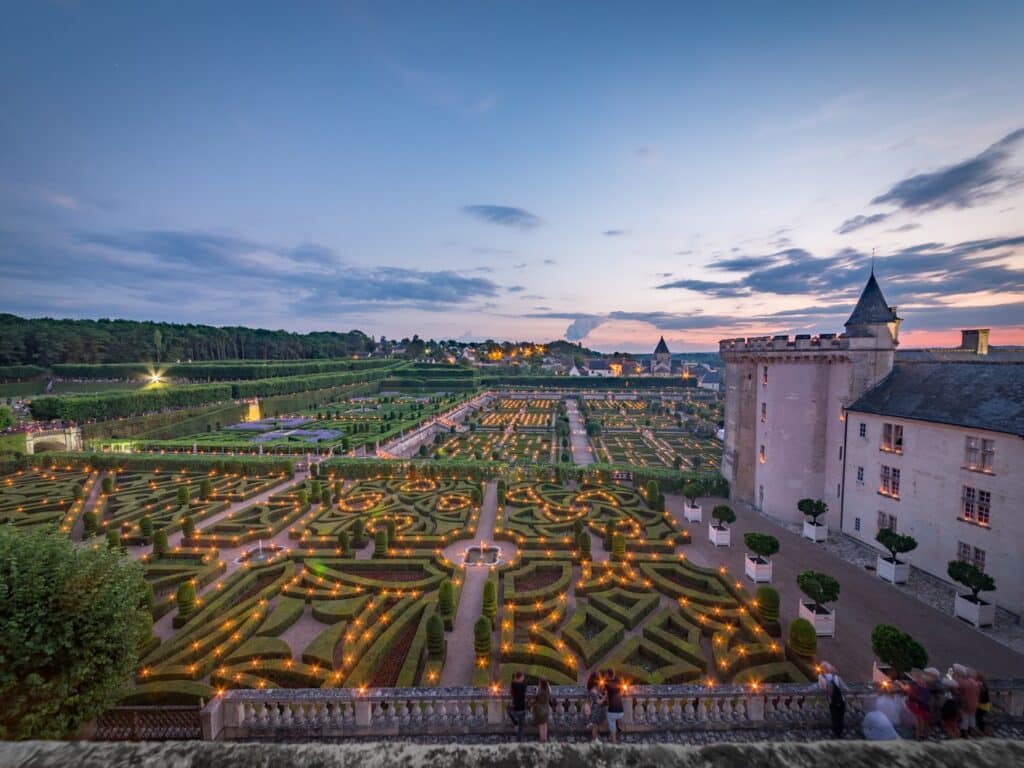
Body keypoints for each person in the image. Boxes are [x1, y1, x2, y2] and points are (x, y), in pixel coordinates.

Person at [818, 661, 846, 739]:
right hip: (841, 701)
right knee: (840, 718)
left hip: (832, 701)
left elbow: (822, 688)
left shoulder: (821, 677)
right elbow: (844, 688)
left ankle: (835, 735)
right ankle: (840, 734)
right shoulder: (836, 677)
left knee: (834, 718)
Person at [903, 669, 932, 740]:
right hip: (920, 706)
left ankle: (920, 736)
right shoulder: (919, 687)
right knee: (920, 721)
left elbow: (919, 697)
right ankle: (920, 736)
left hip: (921, 706)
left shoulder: (922, 688)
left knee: (920, 721)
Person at [954, 665, 980, 737]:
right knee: (972, 718)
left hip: (966, 703)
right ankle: (972, 732)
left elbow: (958, 691)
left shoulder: (963, 682)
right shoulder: (975, 683)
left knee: (965, 718)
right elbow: (978, 693)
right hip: (974, 703)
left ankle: (964, 733)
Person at [604, 669, 625, 744]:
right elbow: (622, 690)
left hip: (612, 711)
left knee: (612, 729)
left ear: (608, 675)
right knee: (616, 723)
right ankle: (616, 733)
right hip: (621, 710)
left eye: (605, 674)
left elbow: (605, 696)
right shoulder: (618, 680)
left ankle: (614, 744)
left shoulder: (606, 683)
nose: (604, 676)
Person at [586, 671, 607, 741]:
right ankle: (594, 740)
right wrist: (605, 696)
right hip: (595, 711)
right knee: (595, 726)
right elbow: (599, 702)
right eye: (599, 678)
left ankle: (595, 738)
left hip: (597, 710)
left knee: (596, 726)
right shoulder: (593, 691)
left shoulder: (595, 688)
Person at [531, 677, 553, 743]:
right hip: (546, 708)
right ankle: (545, 738)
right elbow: (550, 693)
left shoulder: (539, 689)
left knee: (540, 724)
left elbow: (536, 696)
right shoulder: (548, 689)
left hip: (539, 708)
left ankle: (541, 738)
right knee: (545, 724)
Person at [508, 671, 528, 741]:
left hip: (515, 706)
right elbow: (525, 693)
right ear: (520, 677)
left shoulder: (513, 684)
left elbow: (510, 692)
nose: (524, 678)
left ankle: (515, 721)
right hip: (522, 706)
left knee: (509, 711)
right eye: (523, 677)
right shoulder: (524, 684)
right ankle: (519, 738)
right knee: (521, 726)